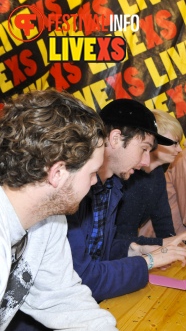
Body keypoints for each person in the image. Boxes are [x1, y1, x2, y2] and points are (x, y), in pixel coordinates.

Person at [0, 90, 117, 330]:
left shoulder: (48, 219)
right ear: (58, 173)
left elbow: (62, 300)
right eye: (92, 173)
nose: (95, 182)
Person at [66, 99, 186, 302]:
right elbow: (82, 278)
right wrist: (147, 261)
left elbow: (101, 252)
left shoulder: (111, 188)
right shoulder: (74, 191)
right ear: (116, 138)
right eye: (143, 149)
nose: (146, 161)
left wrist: (136, 249)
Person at [115, 110, 183, 246]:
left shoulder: (157, 174)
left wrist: (172, 244)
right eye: (175, 143)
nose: (180, 149)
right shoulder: (124, 174)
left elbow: (163, 219)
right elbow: (118, 235)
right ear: (155, 141)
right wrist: (161, 244)